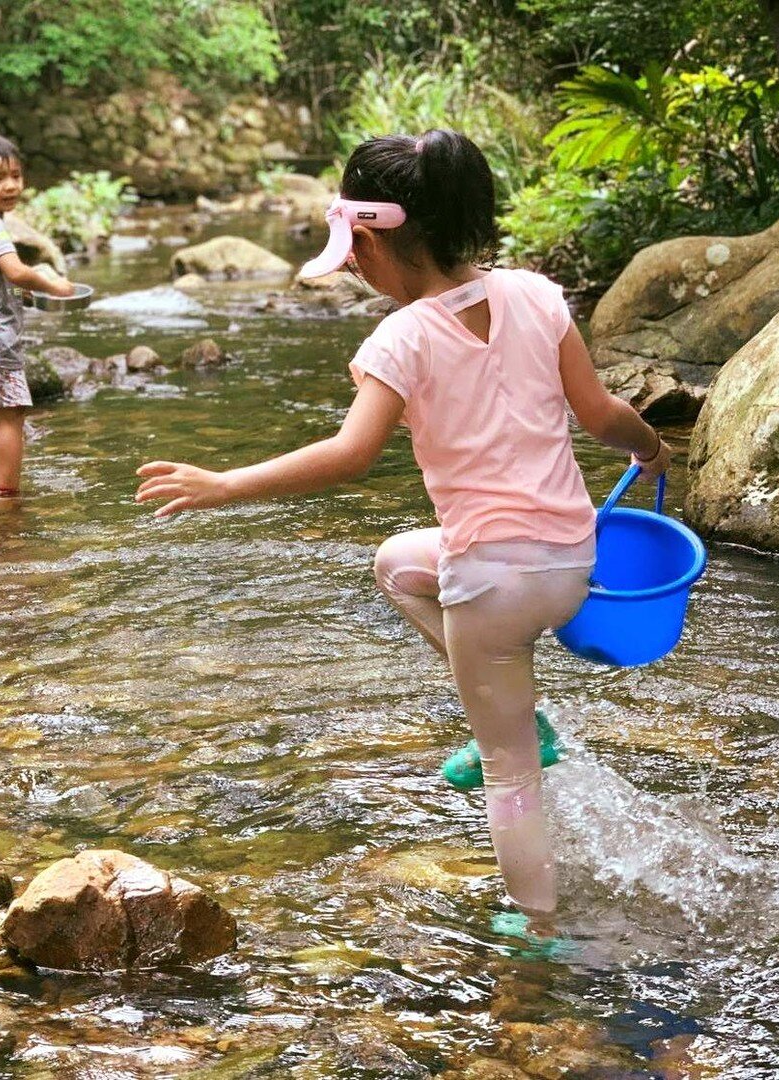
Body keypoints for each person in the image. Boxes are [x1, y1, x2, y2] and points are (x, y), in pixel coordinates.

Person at [135, 130, 671, 929]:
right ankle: (534, 719)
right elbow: (599, 416)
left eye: (354, 252)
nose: (352, 267)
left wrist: (225, 484)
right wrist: (652, 448)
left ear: (380, 240)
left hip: (493, 590)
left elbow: (351, 455)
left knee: (508, 772)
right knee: (397, 561)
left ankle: (536, 934)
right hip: (571, 563)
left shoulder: (403, 337)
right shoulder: (538, 295)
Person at [0, 134, 77, 498]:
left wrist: (26, 296)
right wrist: (53, 284)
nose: (10, 186)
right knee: (12, 417)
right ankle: (7, 496)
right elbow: (15, 271)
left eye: (16, 176)